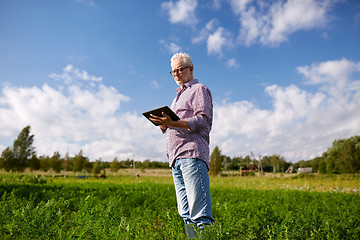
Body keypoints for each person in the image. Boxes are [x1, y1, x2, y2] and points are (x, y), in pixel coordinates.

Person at [149, 52, 214, 238]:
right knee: (186, 214)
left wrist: (172, 123)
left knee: (199, 214)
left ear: (191, 69)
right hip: (176, 158)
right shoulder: (176, 97)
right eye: (173, 71)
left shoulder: (199, 89)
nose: (176, 74)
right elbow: (175, 123)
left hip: (191, 155)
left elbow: (202, 120)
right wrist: (164, 124)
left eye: (180, 70)